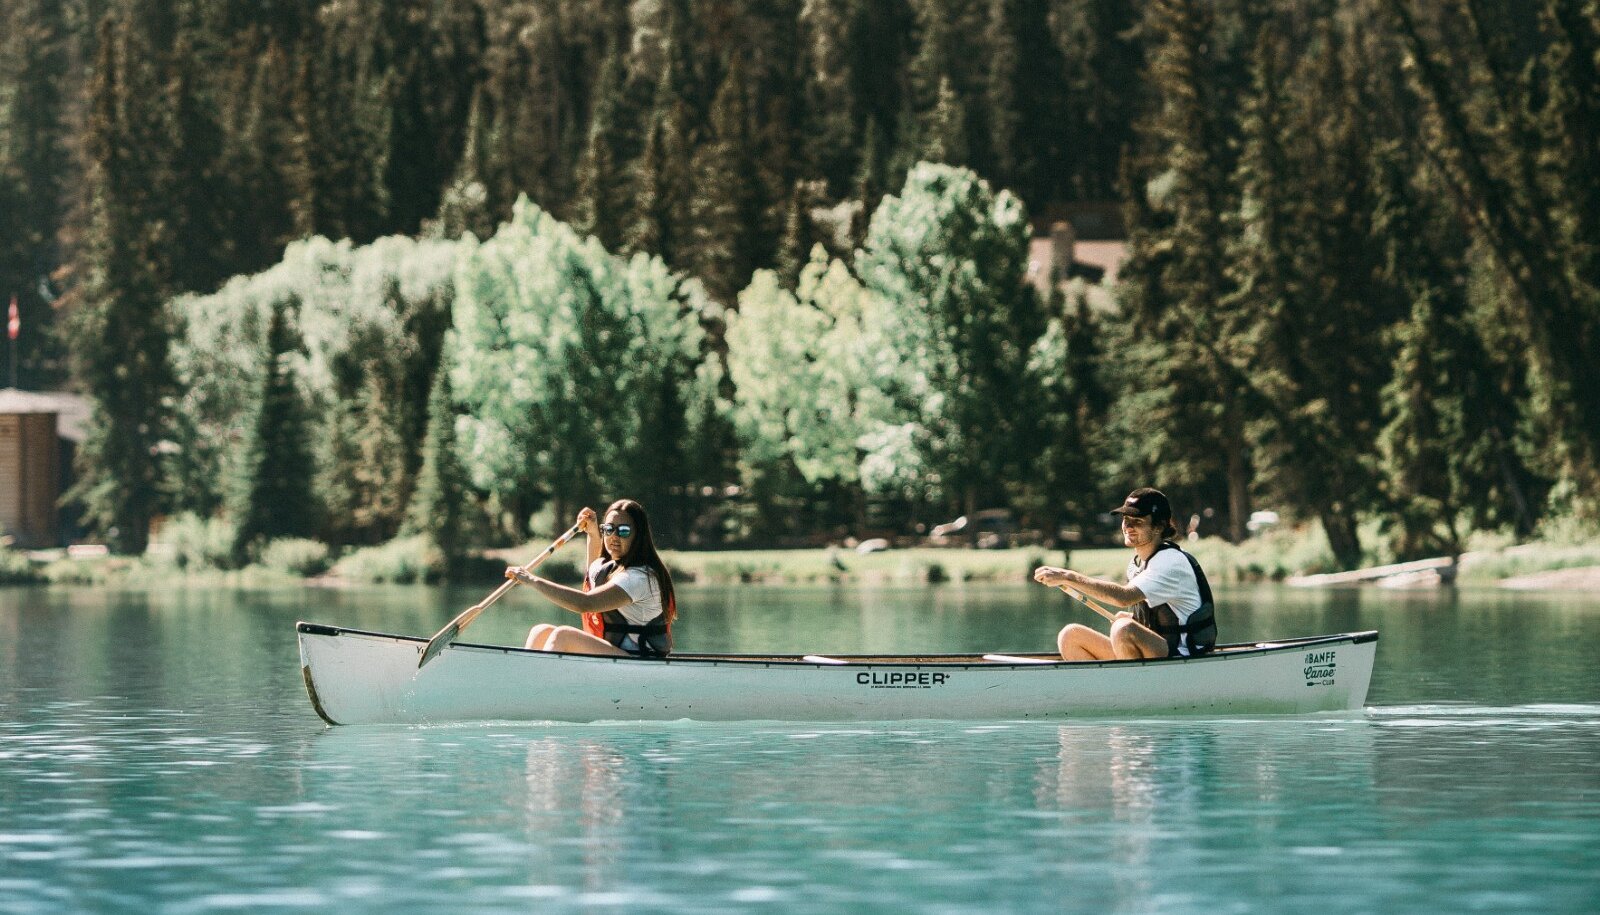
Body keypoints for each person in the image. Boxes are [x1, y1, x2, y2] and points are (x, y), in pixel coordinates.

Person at [1032, 488, 1216, 661]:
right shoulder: (1136, 564)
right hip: (1157, 652)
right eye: (1125, 520)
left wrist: (1067, 576)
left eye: (1137, 521)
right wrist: (1135, 620)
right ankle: (1109, 691)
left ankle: (1129, 690)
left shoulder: (1170, 562)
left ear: (1159, 526)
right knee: (1070, 635)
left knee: (1123, 629)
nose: (1128, 527)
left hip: (1183, 654)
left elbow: (1124, 596)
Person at [505, 499, 677, 657]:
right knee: (540, 631)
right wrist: (593, 533)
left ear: (638, 535)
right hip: (619, 655)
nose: (614, 537)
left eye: (623, 531)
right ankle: (528, 682)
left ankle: (540, 687)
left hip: (640, 660)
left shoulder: (638, 578)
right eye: (608, 529)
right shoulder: (612, 567)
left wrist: (533, 580)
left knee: (563, 636)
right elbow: (594, 573)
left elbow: (585, 603)